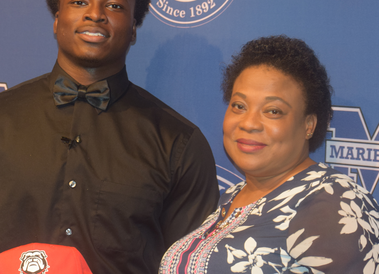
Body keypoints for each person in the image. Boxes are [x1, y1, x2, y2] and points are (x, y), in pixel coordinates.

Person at [0, 0, 219, 274]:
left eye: (114, 6)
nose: (95, 14)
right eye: (79, 1)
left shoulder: (177, 144)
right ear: (57, 20)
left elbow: (190, 267)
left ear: (134, 30)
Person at [159, 35, 379, 274]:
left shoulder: (335, 202)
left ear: (309, 125)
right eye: (239, 106)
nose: (249, 123)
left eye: (273, 111)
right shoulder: (230, 197)